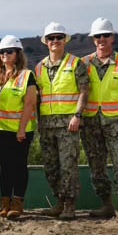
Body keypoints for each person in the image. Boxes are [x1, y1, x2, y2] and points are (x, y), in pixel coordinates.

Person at [81, 18, 118, 217]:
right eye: (98, 36)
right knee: (96, 165)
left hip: (115, 121)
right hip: (90, 121)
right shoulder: (84, 63)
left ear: (112, 38)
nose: (102, 39)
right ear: (93, 40)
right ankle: (106, 205)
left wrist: (116, 107)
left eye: (106, 35)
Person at [35, 22, 89, 220]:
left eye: (59, 38)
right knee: (51, 166)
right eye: (51, 38)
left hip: (69, 124)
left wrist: (77, 115)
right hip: (47, 125)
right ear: (46, 42)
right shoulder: (39, 67)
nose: (55, 41)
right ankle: (58, 202)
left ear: (64, 40)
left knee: (68, 165)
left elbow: (84, 91)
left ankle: (69, 205)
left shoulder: (76, 63)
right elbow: (37, 98)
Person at [0, 35, 37, 220]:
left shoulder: (27, 76)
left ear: (18, 54)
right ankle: (4, 203)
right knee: (5, 167)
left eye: (9, 51)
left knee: (19, 166)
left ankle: (17, 202)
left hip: (19, 131)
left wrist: (22, 129)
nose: (5, 55)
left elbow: (29, 104)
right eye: (2, 52)